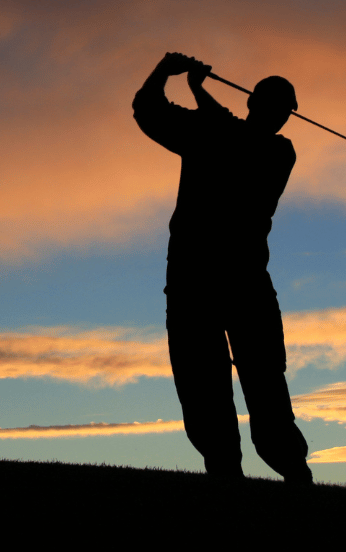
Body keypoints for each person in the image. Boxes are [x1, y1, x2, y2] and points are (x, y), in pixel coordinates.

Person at [132, 52, 312, 484]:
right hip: (231, 282)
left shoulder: (272, 151)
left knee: (242, 380)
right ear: (265, 108)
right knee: (216, 381)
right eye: (282, 110)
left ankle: (266, 471)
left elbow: (151, 109)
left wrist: (172, 75)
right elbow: (158, 114)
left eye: (285, 112)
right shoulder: (246, 139)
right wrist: (196, 90)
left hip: (209, 281)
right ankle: (243, 473)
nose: (284, 120)